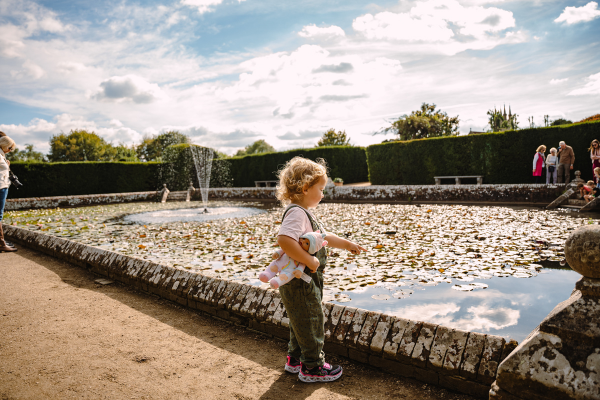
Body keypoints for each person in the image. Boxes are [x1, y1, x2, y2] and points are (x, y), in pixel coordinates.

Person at [275, 156, 366, 383]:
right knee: (312, 319)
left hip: (301, 279)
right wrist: (311, 260)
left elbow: (323, 238)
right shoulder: (297, 213)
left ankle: (295, 360)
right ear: (306, 188)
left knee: (300, 321)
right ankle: (313, 368)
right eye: (321, 188)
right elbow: (285, 240)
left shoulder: (303, 212)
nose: (323, 194)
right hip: (301, 279)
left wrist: (347, 244)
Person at [0, 131, 17, 252]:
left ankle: (1, 242)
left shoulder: (1, 155)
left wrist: (6, 164)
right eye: (10, 147)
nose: (11, 150)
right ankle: (1, 244)